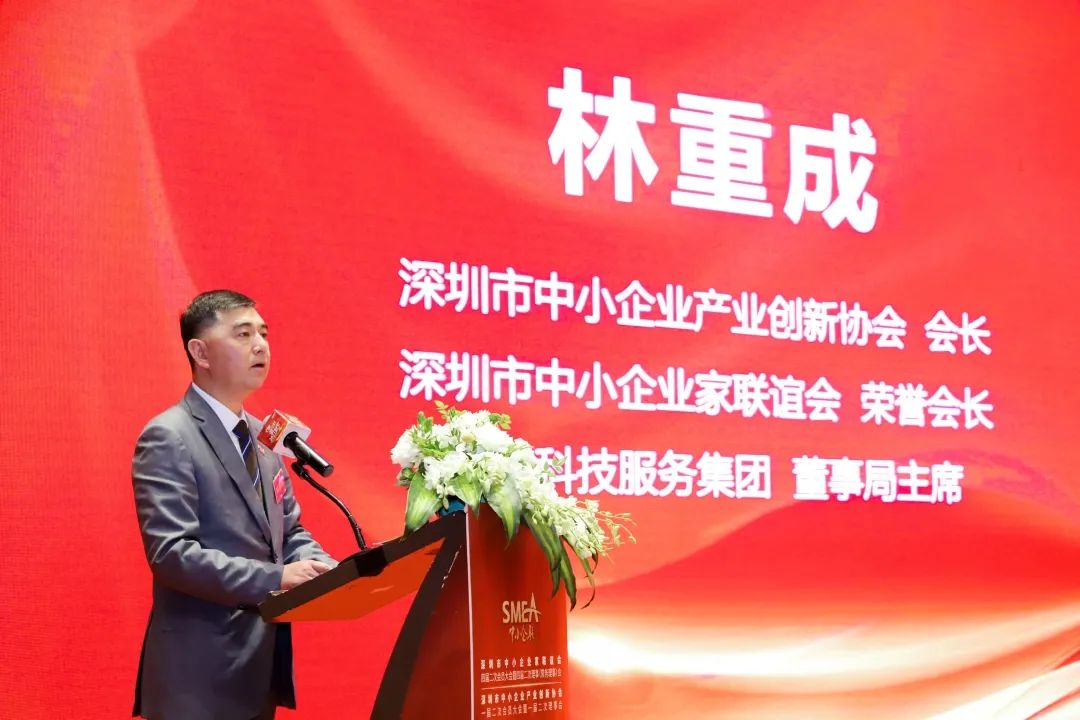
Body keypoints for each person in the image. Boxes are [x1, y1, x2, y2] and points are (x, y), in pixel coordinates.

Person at [132, 289, 334, 720]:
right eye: (243, 334)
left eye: (263, 333)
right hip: (197, 680)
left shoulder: (265, 438)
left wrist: (325, 569)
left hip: (258, 673)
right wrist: (277, 577)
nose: (260, 345)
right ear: (200, 352)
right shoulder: (169, 435)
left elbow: (288, 532)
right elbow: (172, 555)